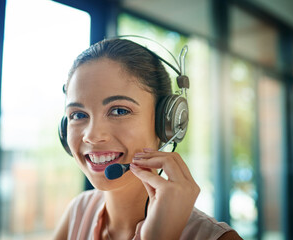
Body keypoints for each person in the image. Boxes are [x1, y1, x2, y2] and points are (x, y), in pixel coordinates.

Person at [53, 38, 242, 240]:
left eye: (119, 110)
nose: (92, 136)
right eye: (78, 115)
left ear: (167, 124)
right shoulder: (79, 212)